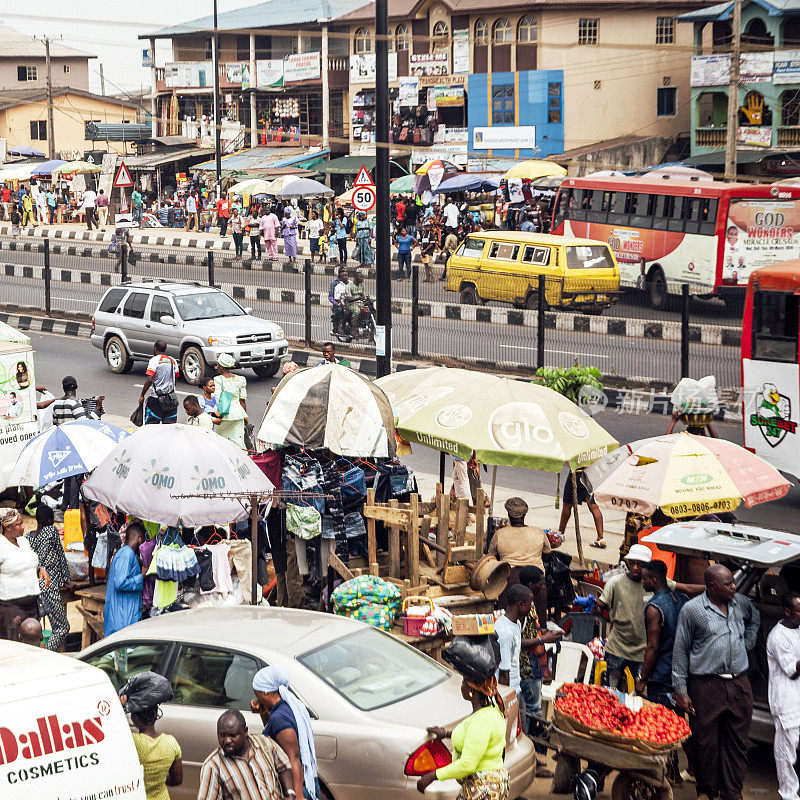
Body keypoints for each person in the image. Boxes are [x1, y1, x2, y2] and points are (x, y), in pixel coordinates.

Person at [672, 564, 759, 800]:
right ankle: (707, 790)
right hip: (706, 685)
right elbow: (680, 650)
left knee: (738, 743)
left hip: (740, 683)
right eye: (728, 584)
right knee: (705, 742)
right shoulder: (692, 611)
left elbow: (755, 617)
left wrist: (748, 642)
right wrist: (681, 690)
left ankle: (732, 792)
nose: (734, 587)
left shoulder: (739, 603)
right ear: (712, 587)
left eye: (733, 582)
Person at [416, 672, 508, 798]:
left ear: (471, 689)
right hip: (488, 785)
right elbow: (476, 738)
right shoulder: (493, 710)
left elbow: (467, 765)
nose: (461, 686)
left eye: (463, 682)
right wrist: (446, 733)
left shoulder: (480, 720)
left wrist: (432, 776)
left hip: (482, 788)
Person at [251, 665, 319, 800]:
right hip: (305, 782)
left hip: (298, 787)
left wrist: (298, 796)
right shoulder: (288, 707)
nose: (256, 698)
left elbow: (293, 758)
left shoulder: (279, 718)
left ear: (265, 692)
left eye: (256, 693)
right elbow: (275, 734)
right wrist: (263, 712)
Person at [519, 566, 561, 778]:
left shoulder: (531, 603)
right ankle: (531, 760)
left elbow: (531, 632)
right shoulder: (523, 607)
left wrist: (544, 633)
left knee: (533, 709)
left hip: (535, 662)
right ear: (530, 585)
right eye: (541, 583)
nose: (543, 586)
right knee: (532, 710)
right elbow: (519, 640)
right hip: (527, 665)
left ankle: (534, 757)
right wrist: (542, 639)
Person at [198, 709, 293, 800]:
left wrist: (290, 793)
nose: (227, 740)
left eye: (232, 735)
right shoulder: (213, 766)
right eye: (222, 735)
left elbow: (284, 767)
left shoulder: (265, 744)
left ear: (245, 731)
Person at [488, 497, 550, 623]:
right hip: (536, 579)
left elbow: (490, 557)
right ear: (524, 515)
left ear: (509, 515)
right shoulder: (538, 532)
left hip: (510, 578)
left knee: (506, 621)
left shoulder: (499, 534)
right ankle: (541, 631)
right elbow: (547, 553)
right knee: (539, 622)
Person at [635, 559, 688, 706]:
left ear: (653, 580)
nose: (642, 581)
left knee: (660, 719)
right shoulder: (682, 598)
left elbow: (653, 647)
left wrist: (643, 679)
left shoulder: (654, 608)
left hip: (661, 674)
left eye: (644, 578)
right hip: (681, 671)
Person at [122, 679, 183, 800]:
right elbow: (177, 780)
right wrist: (158, 780)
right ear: (156, 715)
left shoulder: (132, 742)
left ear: (135, 717)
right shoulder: (171, 742)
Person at [767, 591, 800, 800]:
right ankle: (788, 795)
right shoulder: (778, 636)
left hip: (797, 698)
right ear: (787, 612)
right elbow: (792, 670)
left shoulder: (797, 629)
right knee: (786, 754)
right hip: (786, 702)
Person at [27, 504, 70, 651]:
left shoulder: (28, 537)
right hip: (48, 586)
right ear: (49, 519)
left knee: (33, 629)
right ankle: (47, 653)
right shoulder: (51, 531)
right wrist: (66, 580)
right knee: (62, 628)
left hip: (32, 587)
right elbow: (60, 556)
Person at [0, 509, 47, 641]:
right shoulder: (1, 546)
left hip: (31, 606)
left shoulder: (23, 542)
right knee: (15, 646)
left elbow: (27, 562)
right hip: (11, 608)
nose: (23, 527)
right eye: (18, 525)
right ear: (8, 527)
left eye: (22, 523)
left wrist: (40, 569)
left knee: (33, 643)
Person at [52, 375, 88, 510]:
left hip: (62, 444)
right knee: (76, 476)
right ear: (76, 387)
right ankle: (72, 507)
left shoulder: (56, 404)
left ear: (63, 388)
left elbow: (55, 423)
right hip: (75, 444)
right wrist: (96, 410)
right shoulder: (75, 404)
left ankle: (64, 506)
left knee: (67, 476)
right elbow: (83, 424)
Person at [104, 522, 146, 636]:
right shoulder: (126, 554)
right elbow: (120, 583)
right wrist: (142, 576)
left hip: (124, 612)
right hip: (122, 616)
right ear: (139, 537)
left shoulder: (127, 553)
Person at [496, 583, 533, 695]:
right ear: (521, 605)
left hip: (516, 688)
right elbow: (503, 673)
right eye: (529, 604)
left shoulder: (516, 623)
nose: (531, 607)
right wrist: (506, 702)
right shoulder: (505, 633)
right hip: (508, 691)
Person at [558, 468, 605, 548]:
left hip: (576, 474)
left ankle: (560, 533)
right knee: (594, 507)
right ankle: (600, 538)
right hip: (589, 475)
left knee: (567, 505)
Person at [140, 340, 179, 425]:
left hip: (156, 399)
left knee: (151, 427)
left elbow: (149, 379)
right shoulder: (173, 360)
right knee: (169, 428)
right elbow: (175, 379)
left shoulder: (154, 360)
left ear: (155, 348)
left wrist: (142, 394)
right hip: (170, 399)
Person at [215, 354, 248, 449]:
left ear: (221, 366)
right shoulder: (241, 380)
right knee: (238, 442)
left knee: (222, 444)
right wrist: (245, 416)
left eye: (218, 364)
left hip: (224, 415)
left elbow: (217, 399)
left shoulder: (218, 380)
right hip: (238, 414)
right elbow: (242, 400)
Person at [343, 271, 367, 335]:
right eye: (361, 277)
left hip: (361, 303)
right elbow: (349, 299)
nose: (362, 279)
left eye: (363, 277)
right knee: (357, 311)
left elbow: (364, 295)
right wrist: (358, 298)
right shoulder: (349, 286)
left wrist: (366, 298)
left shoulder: (362, 285)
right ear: (355, 277)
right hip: (352, 304)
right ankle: (353, 327)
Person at [328, 267, 348, 334]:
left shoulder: (348, 282)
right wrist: (336, 303)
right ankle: (335, 326)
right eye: (343, 272)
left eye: (346, 272)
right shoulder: (334, 283)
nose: (345, 274)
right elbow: (330, 297)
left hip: (347, 301)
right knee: (339, 310)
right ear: (339, 274)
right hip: (338, 302)